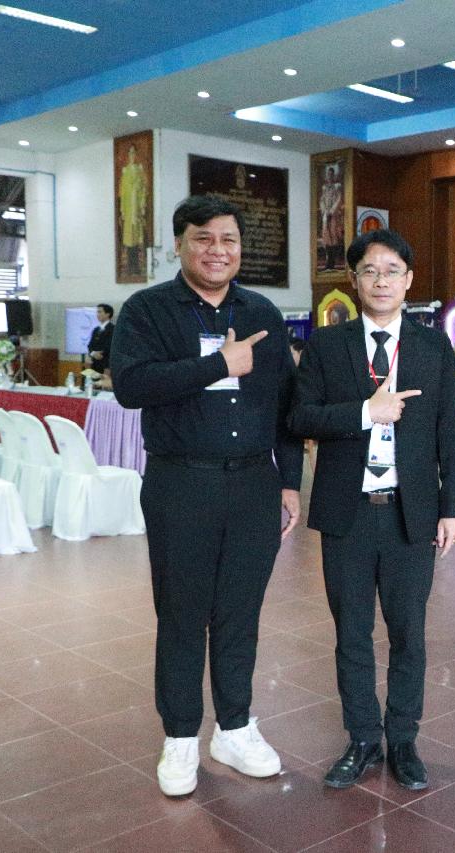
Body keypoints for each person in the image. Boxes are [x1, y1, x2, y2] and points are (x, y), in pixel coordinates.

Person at [111, 195, 303, 798]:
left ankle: (235, 728)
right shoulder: (147, 310)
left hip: (253, 484)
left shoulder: (261, 312)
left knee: (240, 612)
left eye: (229, 240)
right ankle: (179, 738)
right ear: (179, 244)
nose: (218, 251)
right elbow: (131, 386)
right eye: (204, 238)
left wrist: (290, 481)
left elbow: (287, 405)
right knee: (182, 614)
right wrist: (218, 363)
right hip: (180, 483)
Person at [290, 228, 455, 791]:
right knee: (352, 633)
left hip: (411, 513)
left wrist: (453, 508)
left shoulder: (432, 347)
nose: (381, 280)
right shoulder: (326, 346)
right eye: (369, 270)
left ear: (409, 280)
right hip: (347, 512)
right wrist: (366, 412)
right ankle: (363, 737)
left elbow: (449, 430)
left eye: (392, 270)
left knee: (409, 631)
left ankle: (405, 739)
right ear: (354, 280)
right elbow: (301, 417)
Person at [119, 143, 149, 276]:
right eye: (130, 153)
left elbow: (143, 190)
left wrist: (142, 206)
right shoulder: (125, 171)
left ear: (136, 154)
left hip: (137, 209)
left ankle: (137, 266)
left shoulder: (139, 169)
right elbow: (123, 192)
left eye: (133, 153)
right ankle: (130, 266)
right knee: (129, 238)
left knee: (137, 237)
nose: (132, 155)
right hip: (128, 209)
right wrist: (122, 210)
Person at [87, 304, 116, 376]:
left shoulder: (113, 329)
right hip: (94, 364)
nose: (97, 314)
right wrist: (93, 353)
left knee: (104, 382)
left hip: (106, 365)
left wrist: (100, 353)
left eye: (100, 312)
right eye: (97, 312)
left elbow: (111, 346)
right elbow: (90, 345)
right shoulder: (96, 329)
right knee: (93, 381)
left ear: (108, 314)